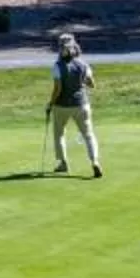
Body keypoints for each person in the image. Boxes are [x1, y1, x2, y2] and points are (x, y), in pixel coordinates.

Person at [46, 30, 102, 177]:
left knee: (59, 134)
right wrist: (80, 80)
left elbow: (57, 89)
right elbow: (92, 84)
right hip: (81, 104)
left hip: (62, 106)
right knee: (88, 134)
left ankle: (63, 163)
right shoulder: (83, 65)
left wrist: (50, 104)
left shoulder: (57, 66)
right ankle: (95, 161)